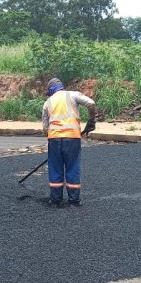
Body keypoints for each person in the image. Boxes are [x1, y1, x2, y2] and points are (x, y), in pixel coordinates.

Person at [41, 77, 97, 207]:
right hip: (72, 138)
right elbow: (91, 103)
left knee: (55, 169)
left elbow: (45, 127)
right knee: (72, 167)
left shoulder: (47, 103)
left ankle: (55, 201)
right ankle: (74, 201)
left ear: (51, 91)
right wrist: (91, 121)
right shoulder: (73, 95)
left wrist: (52, 141)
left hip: (54, 139)